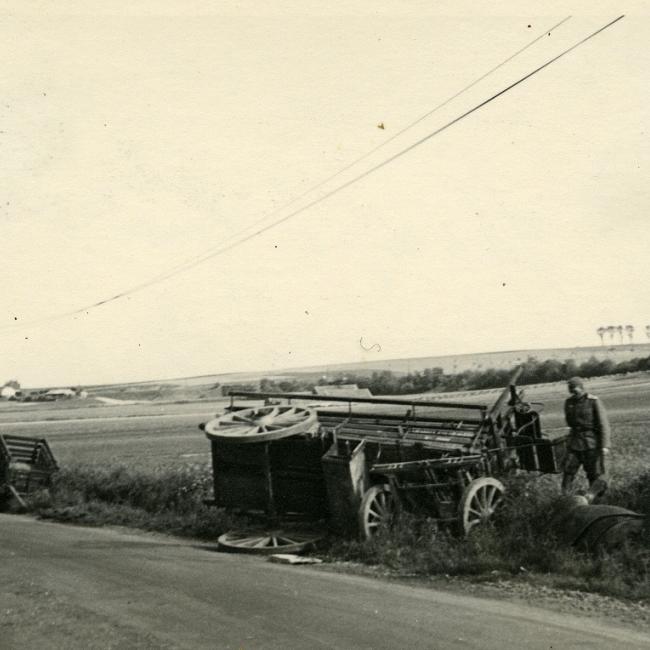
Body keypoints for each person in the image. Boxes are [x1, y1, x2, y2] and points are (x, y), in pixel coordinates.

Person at [562, 376, 611, 501]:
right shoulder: (569, 402)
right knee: (568, 471)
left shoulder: (593, 401)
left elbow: (603, 424)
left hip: (591, 443)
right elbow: (569, 422)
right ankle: (565, 498)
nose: (573, 391)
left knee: (594, 473)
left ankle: (595, 499)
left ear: (581, 388)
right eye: (570, 389)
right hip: (574, 443)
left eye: (574, 388)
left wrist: (605, 445)